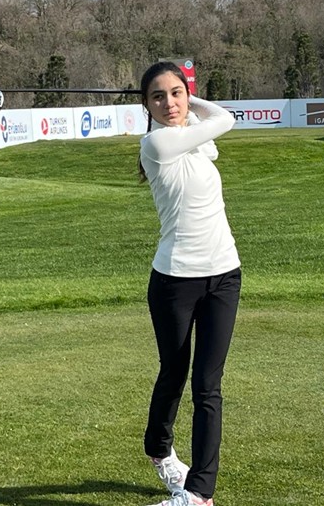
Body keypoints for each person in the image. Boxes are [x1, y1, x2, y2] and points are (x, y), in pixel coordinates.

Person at [137, 61, 242, 506]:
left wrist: (184, 96)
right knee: (174, 372)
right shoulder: (157, 143)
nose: (169, 103)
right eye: (158, 97)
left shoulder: (194, 141)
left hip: (225, 275)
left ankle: (199, 493)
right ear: (146, 106)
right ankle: (159, 450)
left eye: (176, 93)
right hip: (175, 280)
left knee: (207, 385)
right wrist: (185, 97)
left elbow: (213, 128)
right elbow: (225, 119)